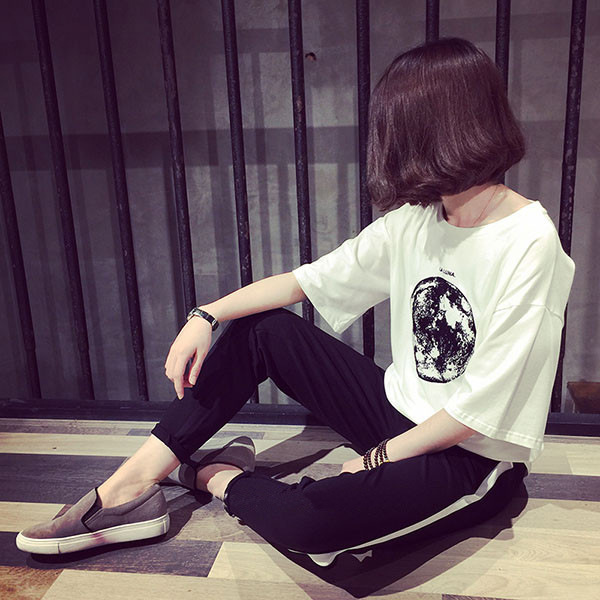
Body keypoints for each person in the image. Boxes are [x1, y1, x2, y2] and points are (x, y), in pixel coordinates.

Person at [16, 37, 574, 568]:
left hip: (471, 454)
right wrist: (206, 314)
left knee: (309, 523)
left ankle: (214, 475)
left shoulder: (529, 241)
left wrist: (375, 459)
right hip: (398, 410)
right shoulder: (419, 219)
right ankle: (131, 486)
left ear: (446, 129)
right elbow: (302, 282)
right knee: (264, 330)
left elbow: (478, 409)